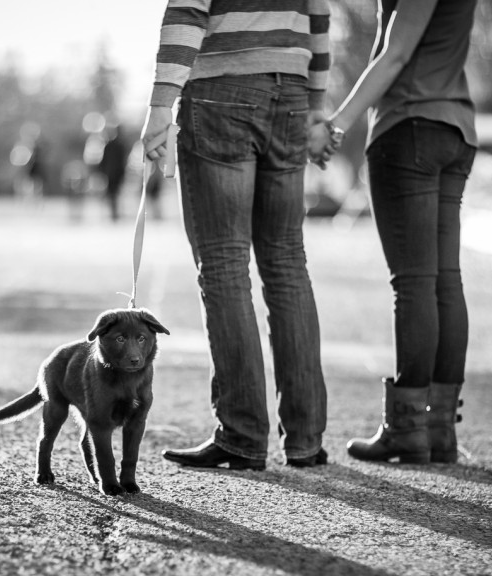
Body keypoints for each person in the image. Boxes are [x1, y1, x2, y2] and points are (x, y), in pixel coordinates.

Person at [141, 0, 332, 470]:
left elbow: (188, 10)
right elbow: (320, 17)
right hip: (291, 92)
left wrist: (160, 104)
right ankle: (305, 439)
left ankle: (243, 435)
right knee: (288, 264)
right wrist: (316, 108)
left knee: (225, 267)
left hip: (222, 92)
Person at [309, 0, 478, 464]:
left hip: (409, 128)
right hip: (456, 128)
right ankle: (439, 430)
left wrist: (337, 124)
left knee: (416, 283)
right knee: (445, 279)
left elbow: (396, 53)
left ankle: (407, 429)